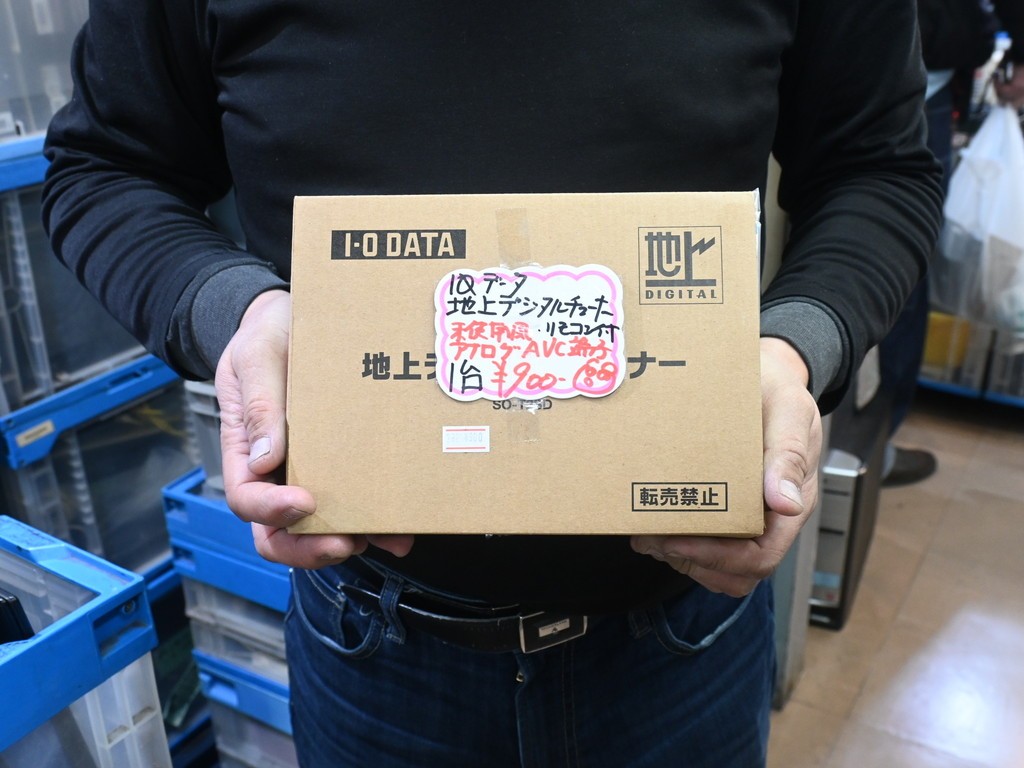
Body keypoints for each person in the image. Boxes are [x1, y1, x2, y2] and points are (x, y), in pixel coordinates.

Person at [40, 3, 943, 766]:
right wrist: (230, 309)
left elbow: (877, 166)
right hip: (376, 643)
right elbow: (107, 165)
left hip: (681, 634)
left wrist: (798, 342)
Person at [880, 0, 1024, 488]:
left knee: (896, 266)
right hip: (907, 73)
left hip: (911, 73)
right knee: (900, 270)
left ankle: (867, 445)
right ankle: (869, 444)